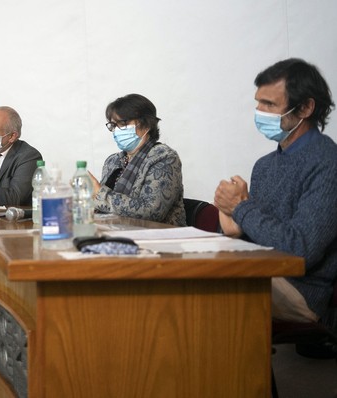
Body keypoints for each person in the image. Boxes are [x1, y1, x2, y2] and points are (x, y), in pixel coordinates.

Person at [214, 58, 337, 325]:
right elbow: (264, 234)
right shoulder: (265, 165)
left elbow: (299, 249)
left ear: (305, 107)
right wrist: (232, 226)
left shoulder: (328, 162)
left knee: (202, 292)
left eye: (269, 104)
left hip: (301, 291)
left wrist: (241, 208)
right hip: (263, 271)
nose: (259, 111)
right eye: (259, 102)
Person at [94, 94, 185, 226]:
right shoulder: (113, 161)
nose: (117, 130)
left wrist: (99, 194)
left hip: (160, 239)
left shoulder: (164, 157)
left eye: (123, 123)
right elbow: (101, 207)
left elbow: (152, 212)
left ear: (146, 123)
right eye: (113, 125)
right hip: (116, 234)